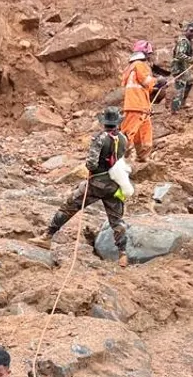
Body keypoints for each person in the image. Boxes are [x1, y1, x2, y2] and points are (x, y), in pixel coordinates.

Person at [46, 107, 130, 268]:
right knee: (117, 220)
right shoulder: (123, 138)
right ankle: (123, 254)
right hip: (114, 184)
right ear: (117, 123)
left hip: (96, 183)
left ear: (104, 123)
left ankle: (47, 235)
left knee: (69, 206)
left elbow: (91, 163)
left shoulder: (100, 138)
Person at [120, 42, 161, 162]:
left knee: (144, 134)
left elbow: (142, 86)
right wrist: (158, 81)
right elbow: (146, 81)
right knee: (129, 132)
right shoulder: (139, 65)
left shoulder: (131, 67)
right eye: (149, 54)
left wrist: (154, 87)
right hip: (136, 105)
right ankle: (119, 159)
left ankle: (142, 157)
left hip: (141, 106)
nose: (150, 57)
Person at [169, 21, 193, 112]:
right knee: (180, 88)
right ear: (186, 31)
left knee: (190, 81)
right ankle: (174, 109)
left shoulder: (188, 41)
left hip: (184, 67)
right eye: (191, 31)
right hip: (179, 67)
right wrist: (192, 60)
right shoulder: (183, 41)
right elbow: (180, 55)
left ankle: (183, 102)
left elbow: (189, 54)